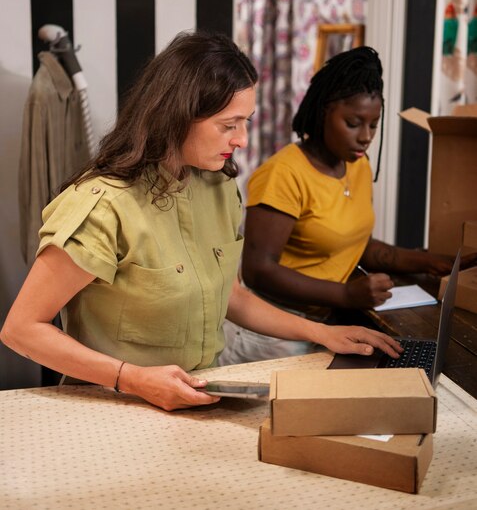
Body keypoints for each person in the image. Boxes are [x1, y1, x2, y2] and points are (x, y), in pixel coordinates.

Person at [1, 32, 402, 411]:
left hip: (197, 392)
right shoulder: (103, 205)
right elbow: (21, 329)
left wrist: (322, 333)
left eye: (246, 121)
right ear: (176, 117)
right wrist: (134, 379)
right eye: (229, 125)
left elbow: (231, 295)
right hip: (113, 401)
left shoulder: (217, 188)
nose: (242, 139)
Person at [219, 45, 477, 365]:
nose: (365, 136)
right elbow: (258, 272)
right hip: (268, 331)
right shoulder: (283, 174)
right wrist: (345, 294)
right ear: (324, 111)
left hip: (321, 325)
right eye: (353, 123)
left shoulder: (357, 165)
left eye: (373, 124)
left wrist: (430, 261)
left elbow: (354, 243)